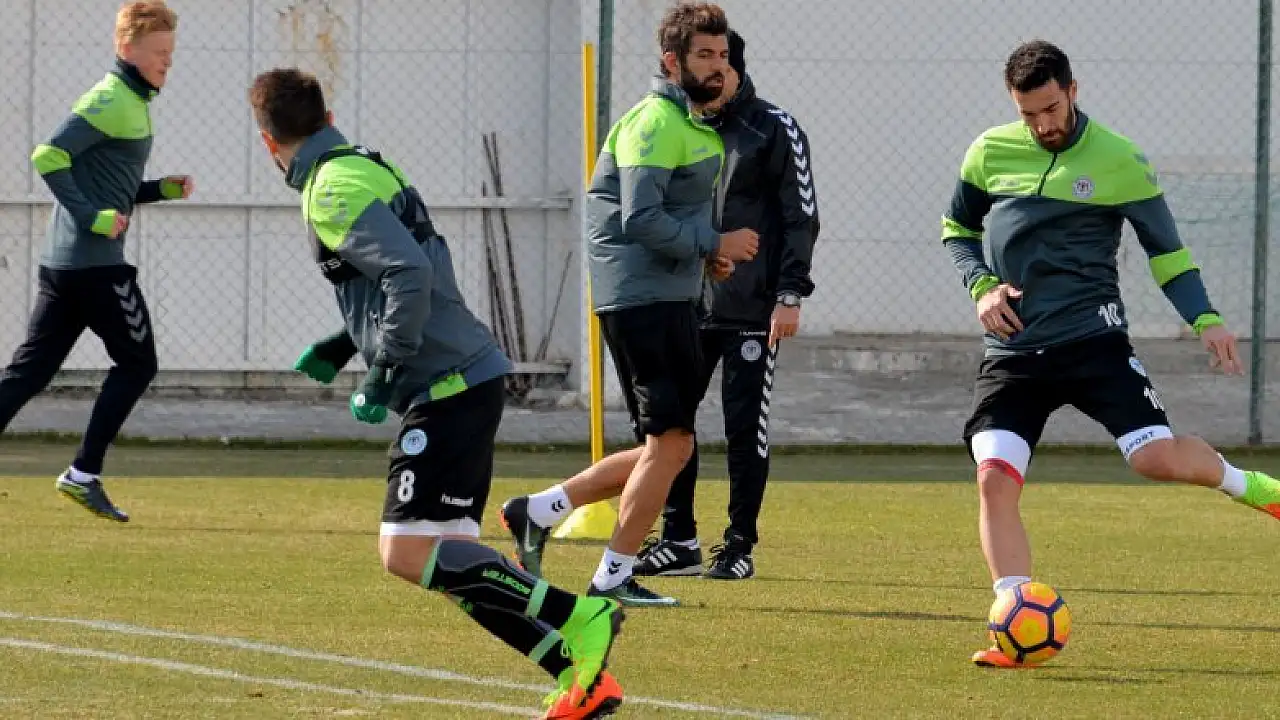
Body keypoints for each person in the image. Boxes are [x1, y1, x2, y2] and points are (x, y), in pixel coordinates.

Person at [247, 67, 624, 718]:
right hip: (465, 377)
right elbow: (407, 275)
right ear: (327, 116)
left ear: (267, 141)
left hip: (448, 385)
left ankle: (579, 614)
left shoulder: (328, 189)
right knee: (452, 564)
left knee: (405, 552)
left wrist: (382, 369)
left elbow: (409, 274)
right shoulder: (366, 166)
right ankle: (579, 677)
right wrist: (346, 342)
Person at [941, 39, 1280, 669]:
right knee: (993, 477)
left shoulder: (1120, 159)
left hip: (1092, 342)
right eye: (1027, 114)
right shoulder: (988, 151)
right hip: (1013, 351)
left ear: (1073, 90)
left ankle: (1252, 486)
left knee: (1155, 459)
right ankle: (1014, 621)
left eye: (1050, 108)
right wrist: (981, 285)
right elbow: (957, 229)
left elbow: (1167, 252)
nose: (1042, 125)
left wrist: (1205, 318)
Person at [498, 2, 759, 607]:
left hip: (663, 294)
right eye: (704, 55)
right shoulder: (656, 122)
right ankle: (611, 577)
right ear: (672, 62)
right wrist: (713, 242)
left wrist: (704, 257)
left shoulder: (689, 125)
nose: (718, 67)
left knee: (665, 447)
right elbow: (639, 218)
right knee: (671, 443)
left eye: (723, 55)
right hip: (642, 300)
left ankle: (540, 510)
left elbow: (665, 217)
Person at [633, 29, 820, 581]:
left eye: (721, 65)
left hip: (751, 308)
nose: (712, 77)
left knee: (744, 427)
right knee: (671, 425)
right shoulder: (678, 126)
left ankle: (739, 545)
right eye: (704, 64)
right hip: (684, 303)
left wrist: (789, 294)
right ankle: (679, 539)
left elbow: (801, 217)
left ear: (735, 69)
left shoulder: (774, 127)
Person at [0, 1, 193, 522]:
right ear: (126, 49)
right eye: (158, 52)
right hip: (95, 269)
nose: (167, 61)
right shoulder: (110, 98)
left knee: (29, 372)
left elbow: (108, 185)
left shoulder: (131, 100)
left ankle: (83, 473)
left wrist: (160, 189)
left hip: (65, 266)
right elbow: (48, 155)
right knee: (138, 363)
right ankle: (82, 473)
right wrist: (91, 218)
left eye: (171, 52)